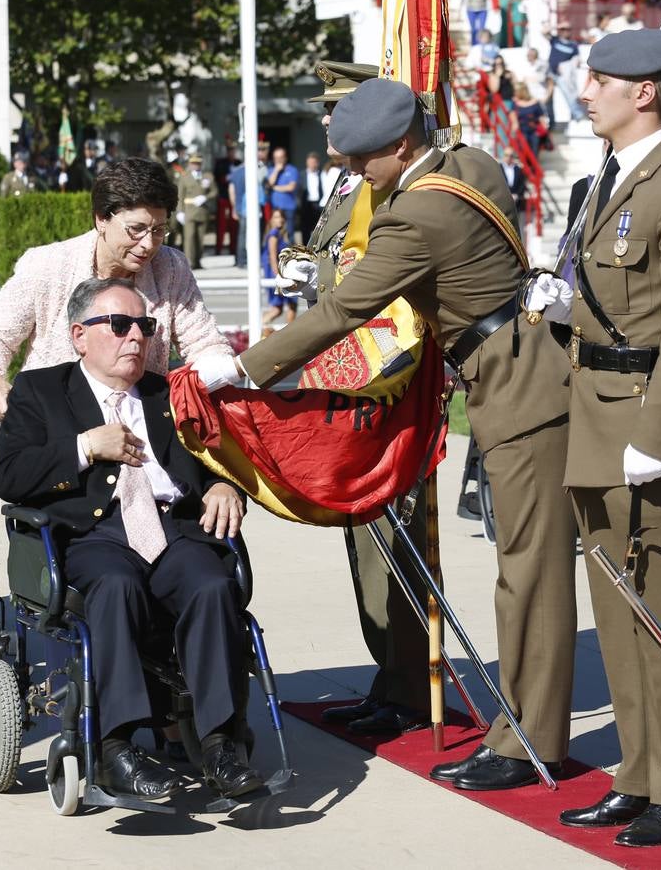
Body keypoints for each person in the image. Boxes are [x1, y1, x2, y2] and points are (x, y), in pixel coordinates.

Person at [193, 77, 578, 792]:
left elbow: (343, 309)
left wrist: (240, 367)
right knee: (525, 571)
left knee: (529, 576)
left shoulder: (415, 215)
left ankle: (526, 740)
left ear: (399, 147)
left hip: (517, 390)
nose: (352, 175)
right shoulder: (469, 165)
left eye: (361, 160)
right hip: (520, 369)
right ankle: (526, 726)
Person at [553, 27, 661, 848]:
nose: (584, 91)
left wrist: (656, 433)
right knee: (615, 608)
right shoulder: (605, 181)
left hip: (646, 420)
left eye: (596, 81)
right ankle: (637, 772)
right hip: (593, 411)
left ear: (643, 92)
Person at [0, 276, 260, 801]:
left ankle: (221, 746)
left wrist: (225, 486)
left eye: (144, 325)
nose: (135, 336)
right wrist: (84, 446)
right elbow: (10, 477)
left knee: (213, 585)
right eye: (119, 325)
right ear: (79, 335)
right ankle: (115, 747)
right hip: (94, 535)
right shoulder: (40, 390)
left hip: (171, 529)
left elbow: (214, 457)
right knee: (115, 587)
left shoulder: (166, 392)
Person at [278, 59, 438, 736]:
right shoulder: (351, 182)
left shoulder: (392, 187)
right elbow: (337, 266)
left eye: (334, 108)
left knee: (393, 540)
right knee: (363, 539)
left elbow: (383, 288)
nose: (324, 122)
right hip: (347, 381)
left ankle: (406, 686)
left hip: (385, 384)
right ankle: (388, 676)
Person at [0, 157, 232, 421]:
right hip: (50, 427)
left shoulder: (171, 268)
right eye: (136, 229)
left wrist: (225, 371)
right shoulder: (47, 265)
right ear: (102, 219)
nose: (148, 244)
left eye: (159, 230)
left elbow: (204, 343)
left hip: (138, 426)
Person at [176, 152, 215, 270]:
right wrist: (179, 211)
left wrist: (205, 197)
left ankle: (198, 261)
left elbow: (214, 191)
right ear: (190, 164)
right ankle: (189, 262)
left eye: (198, 163)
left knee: (200, 238)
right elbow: (180, 195)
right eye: (193, 163)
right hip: (189, 211)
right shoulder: (185, 177)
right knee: (189, 238)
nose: (196, 165)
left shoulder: (207, 176)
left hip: (202, 211)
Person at [260, 209, 294, 325]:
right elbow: (272, 256)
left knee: (281, 307)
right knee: (281, 307)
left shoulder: (280, 234)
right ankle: (257, 328)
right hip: (276, 273)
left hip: (280, 272)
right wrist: (277, 274)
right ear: (271, 220)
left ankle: (258, 327)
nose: (279, 220)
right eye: (275, 217)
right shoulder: (274, 234)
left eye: (280, 217)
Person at [264, 147, 299, 239]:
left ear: (285, 158)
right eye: (276, 158)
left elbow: (291, 187)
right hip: (275, 207)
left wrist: (274, 187)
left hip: (289, 207)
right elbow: (269, 184)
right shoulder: (271, 170)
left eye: (281, 157)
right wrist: (276, 170)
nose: (278, 160)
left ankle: (291, 252)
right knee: (274, 232)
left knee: (290, 233)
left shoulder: (292, 170)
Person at [299, 151, 329, 242]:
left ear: (317, 163)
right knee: (305, 228)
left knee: (319, 227)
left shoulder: (323, 175)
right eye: (310, 162)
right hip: (306, 204)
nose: (312, 165)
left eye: (314, 162)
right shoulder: (302, 174)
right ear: (307, 163)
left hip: (318, 204)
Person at [511, 82, 548, 155]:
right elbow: (513, 117)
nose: (514, 93)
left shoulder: (535, 102)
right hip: (522, 132)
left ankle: (533, 165)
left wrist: (544, 130)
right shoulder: (515, 103)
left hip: (535, 131)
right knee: (523, 152)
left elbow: (541, 117)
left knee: (534, 152)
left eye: (515, 91)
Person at [499, 146, 528, 229]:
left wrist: (517, 195)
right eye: (506, 155)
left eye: (511, 156)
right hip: (503, 204)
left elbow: (522, 185)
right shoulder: (498, 168)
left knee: (515, 228)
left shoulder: (517, 169)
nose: (508, 158)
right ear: (503, 156)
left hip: (516, 204)